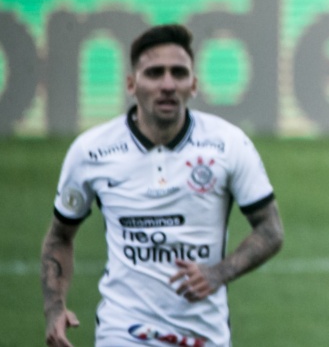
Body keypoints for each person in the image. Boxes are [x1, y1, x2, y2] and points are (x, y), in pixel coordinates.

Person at [41, 24, 284, 347]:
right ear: (132, 83)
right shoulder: (91, 151)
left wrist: (217, 274)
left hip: (203, 336)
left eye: (179, 73)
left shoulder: (228, 144)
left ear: (193, 84)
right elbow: (59, 235)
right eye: (155, 73)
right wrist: (54, 308)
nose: (168, 84)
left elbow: (270, 229)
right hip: (123, 331)